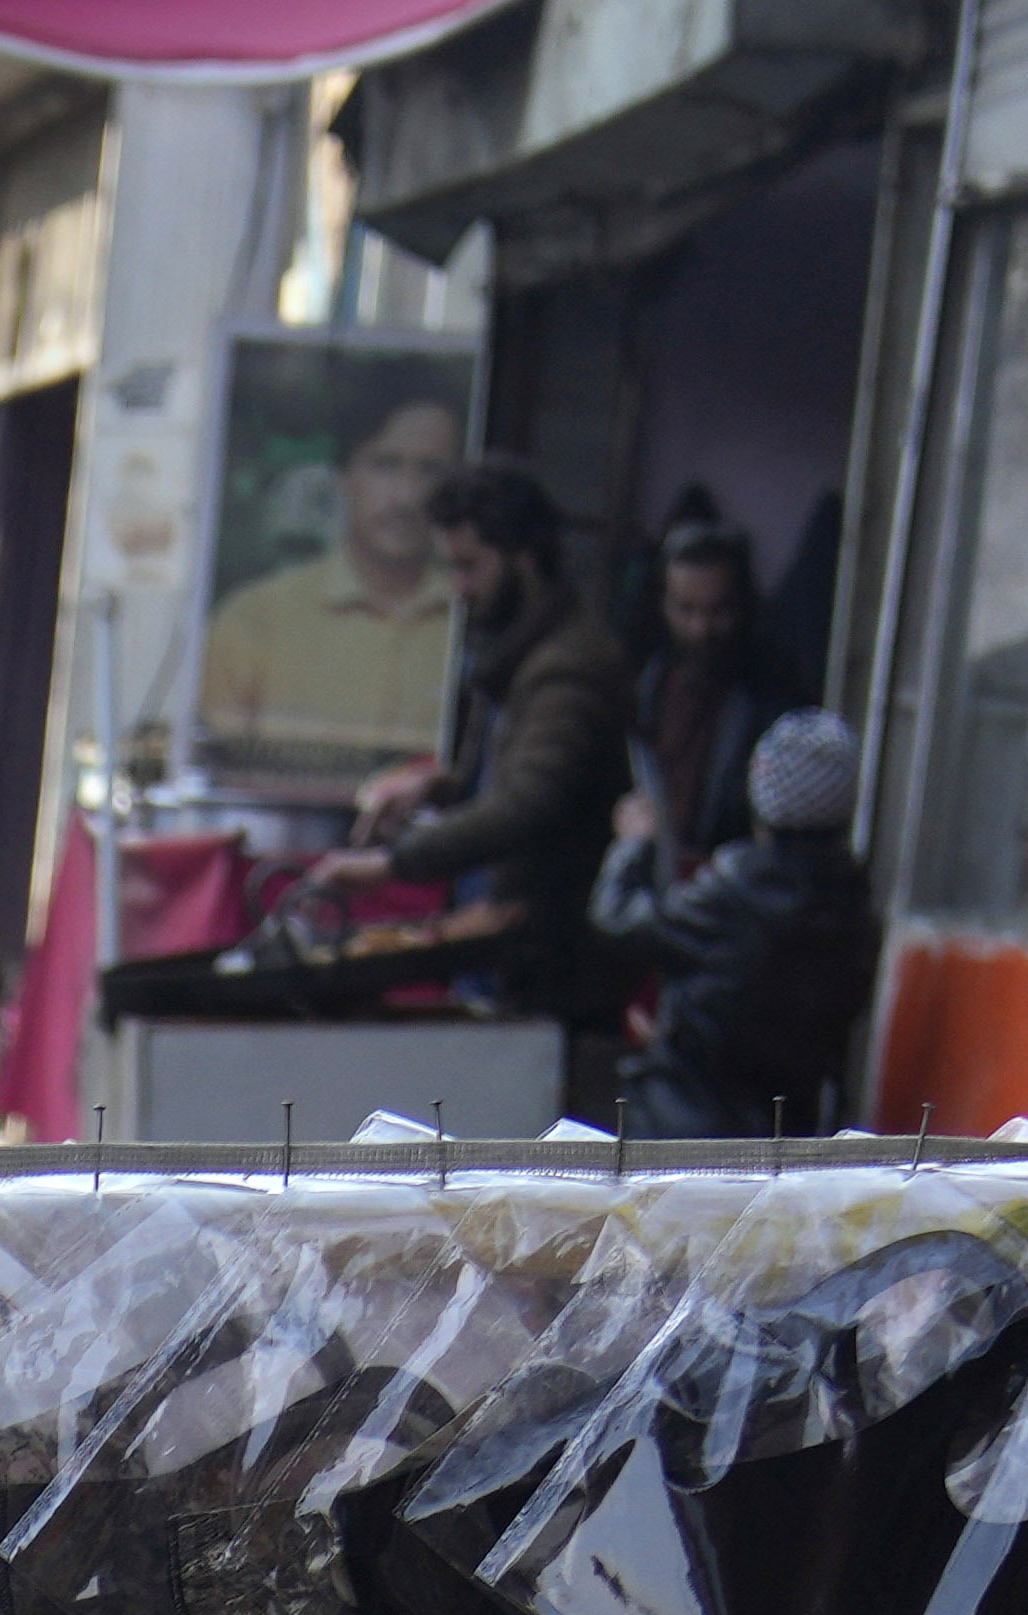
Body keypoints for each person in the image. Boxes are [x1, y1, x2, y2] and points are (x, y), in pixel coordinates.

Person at [365, 457, 633, 1000]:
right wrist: (436, 788)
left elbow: (532, 800)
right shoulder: (514, 651)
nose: (459, 589)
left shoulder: (569, 665)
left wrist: (393, 863)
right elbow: (490, 777)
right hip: (488, 945)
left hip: (543, 966)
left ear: (524, 557)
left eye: (470, 567)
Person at [196, 376, 473, 790]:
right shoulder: (254, 619)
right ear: (344, 477)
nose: (406, 496)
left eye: (429, 471)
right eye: (385, 465)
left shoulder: (471, 620)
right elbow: (214, 769)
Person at [618, 702, 878, 1141]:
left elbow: (619, 919)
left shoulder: (730, 891)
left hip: (685, 1129)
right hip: (789, 1136)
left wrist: (632, 845)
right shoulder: (855, 907)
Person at [624, 507, 786, 873]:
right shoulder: (649, 686)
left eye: (718, 611)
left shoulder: (771, 702)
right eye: (686, 610)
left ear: (744, 606)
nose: (701, 629)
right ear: (664, 606)